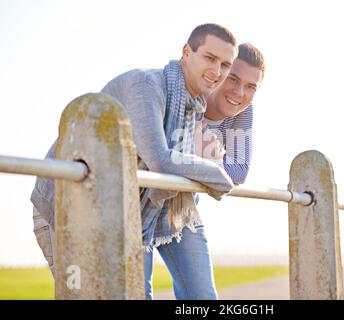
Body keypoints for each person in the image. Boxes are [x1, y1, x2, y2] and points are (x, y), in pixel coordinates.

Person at [30, 23, 238, 300]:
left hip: (129, 215)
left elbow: (174, 167)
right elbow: (161, 161)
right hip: (71, 207)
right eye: (210, 58)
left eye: (225, 64)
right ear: (187, 52)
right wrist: (216, 174)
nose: (217, 72)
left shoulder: (192, 108)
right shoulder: (146, 86)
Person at [196, 42, 265, 185]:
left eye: (250, 87)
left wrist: (209, 159)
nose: (239, 92)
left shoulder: (243, 110)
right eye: (233, 79)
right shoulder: (193, 93)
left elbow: (239, 172)